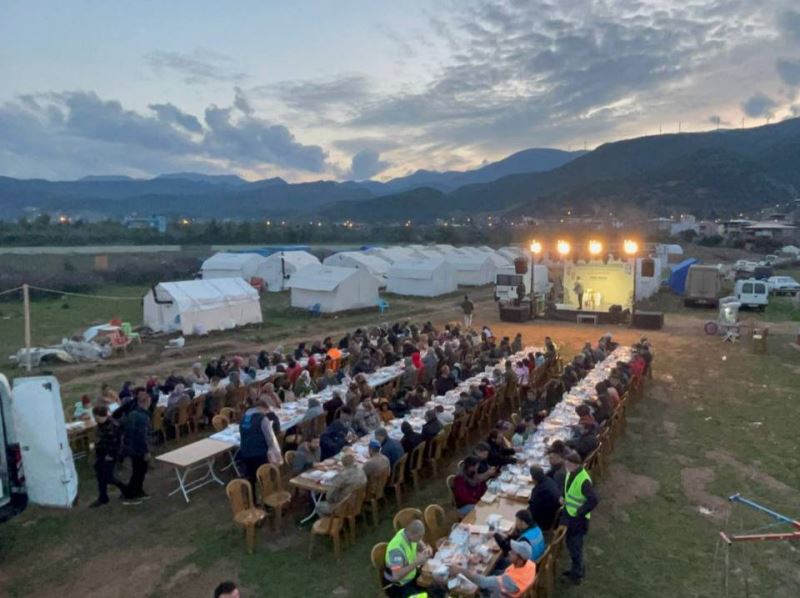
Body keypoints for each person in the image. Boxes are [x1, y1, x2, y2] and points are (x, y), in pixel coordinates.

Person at [561, 450, 598, 584]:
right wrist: (563, 497)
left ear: (576, 464)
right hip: (570, 514)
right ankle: (576, 569)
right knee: (572, 546)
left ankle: (577, 575)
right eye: (566, 461)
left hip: (578, 520)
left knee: (575, 547)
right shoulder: (571, 473)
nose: (566, 464)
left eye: (569, 462)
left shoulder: (583, 479)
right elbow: (568, 490)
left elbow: (593, 500)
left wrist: (580, 511)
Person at [453, 539, 536, 598]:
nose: (509, 552)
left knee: (470, 588)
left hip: (500, 594)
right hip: (510, 590)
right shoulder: (530, 564)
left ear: (520, 560)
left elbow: (483, 582)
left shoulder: (509, 580)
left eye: (513, 552)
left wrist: (460, 570)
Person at [384, 519, 432, 597]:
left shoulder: (407, 533)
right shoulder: (396, 551)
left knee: (433, 588)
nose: (421, 539)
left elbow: (418, 541)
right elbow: (396, 576)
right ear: (411, 536)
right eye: (420, 536)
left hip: (411, 576)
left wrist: (424, 547)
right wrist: (416, 562)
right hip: (399, 585)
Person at [89, 405, 125, 507]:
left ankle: (125, 488)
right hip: (101, 454)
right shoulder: (101, 424)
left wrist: (110, 455)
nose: (95, 419)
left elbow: (116, 443)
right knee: (100, 476)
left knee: (108, 477)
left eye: (95, 417)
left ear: (100, 416)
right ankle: (103, 497)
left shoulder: (112, 426)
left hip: (109, 455)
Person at [120, 391, 152, 504]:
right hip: (139, 449)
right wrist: (147, 451)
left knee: (136, 472)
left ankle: (133, 491)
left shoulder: (132, 413)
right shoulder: (143, 417)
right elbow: (143, 436)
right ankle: (133, 494)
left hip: (130, 447)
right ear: (146, 401)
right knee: (140, 472)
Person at [239, 398, 278, 487]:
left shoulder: (243, 418)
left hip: (245, 451)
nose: (266, 412)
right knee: (264, 476)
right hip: (260, 451)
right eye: (266, 410)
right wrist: (272, 450)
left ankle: (252, 498)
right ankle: (266, 495)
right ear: (261, 408)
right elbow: (269, 437)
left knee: (250, 477)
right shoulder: (262, 419)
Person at [528, 465, 561, 532]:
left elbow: (533, 510)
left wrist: (530, 500)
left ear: (533, 478)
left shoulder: (539, 490)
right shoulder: (550, 480)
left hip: (544, 522)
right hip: (553, 516)